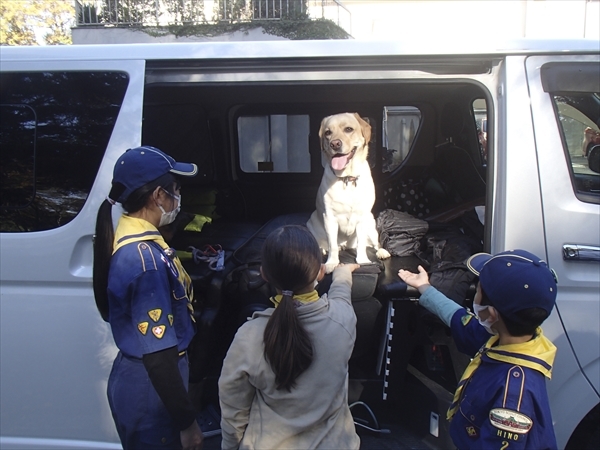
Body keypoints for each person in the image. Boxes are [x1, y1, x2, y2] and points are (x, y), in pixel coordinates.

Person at [93, 145, 204, 450]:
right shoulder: (146, 264)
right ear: (158, 196)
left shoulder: (134, 242)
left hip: (144, 382)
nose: (178, 197)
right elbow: (158, 358)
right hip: (152, 392)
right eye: (176, 189)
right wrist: (187, 423)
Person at [398, 249, 558, 450]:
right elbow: (458, 318)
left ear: (491, 315)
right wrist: (425, 288)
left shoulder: (514, 393)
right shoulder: (504, 340)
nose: (475, 294)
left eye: (478, 290)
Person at [218, 225, 361, 450]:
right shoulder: (342, 320)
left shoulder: (250, 336)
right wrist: (342, 274)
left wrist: (230, 446)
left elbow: (232, 406)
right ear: (321, 271)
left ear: (264, 274)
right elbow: (341, 296)